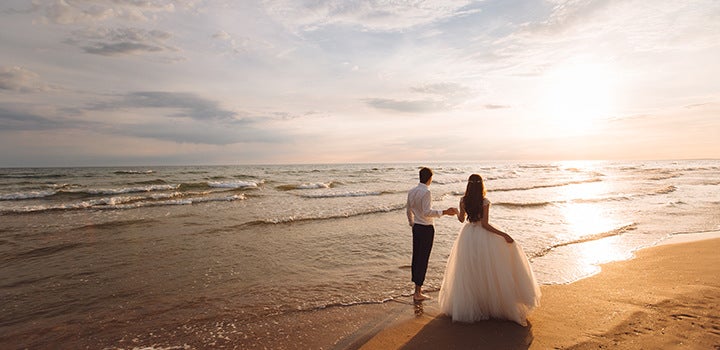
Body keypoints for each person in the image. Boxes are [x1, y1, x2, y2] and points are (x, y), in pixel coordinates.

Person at [438, 174, 540, 326]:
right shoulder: (484, 201)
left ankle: (476, 305)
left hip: (467, 236)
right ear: (481, 185)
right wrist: (503, 234)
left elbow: (461, 219)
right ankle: (488, 305)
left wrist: (456, 212)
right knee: (487, 270)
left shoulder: (463, 200)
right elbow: (485, 224)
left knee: (471, 272)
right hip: (482, 236)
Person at [406, 167, 458, 301]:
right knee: (423, 259)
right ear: (430, 178)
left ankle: (416, 289)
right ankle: (418, 293)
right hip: (426, 228)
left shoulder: (411, 191)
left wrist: (412, 223)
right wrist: (445, 212)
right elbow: (426, 212)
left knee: (416, 257)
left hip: (417, 227)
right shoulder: (426, 192)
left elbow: (408, 210)